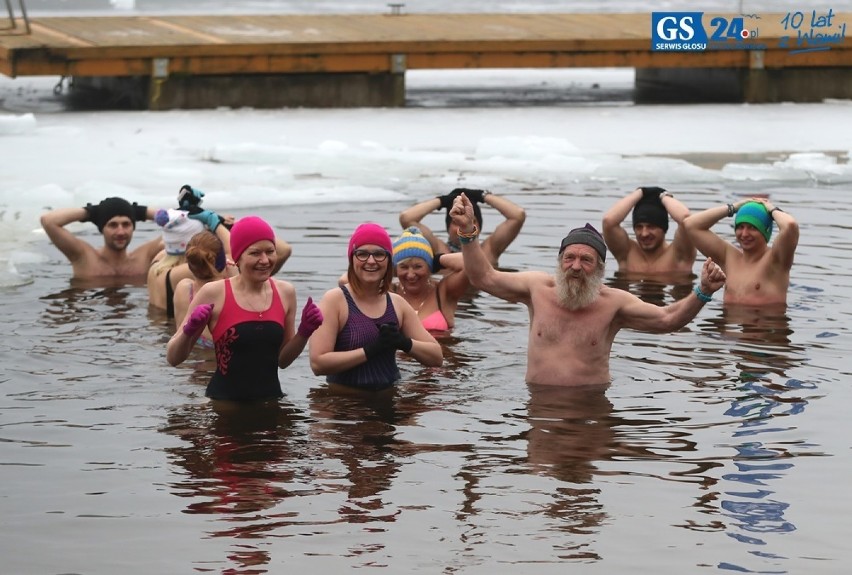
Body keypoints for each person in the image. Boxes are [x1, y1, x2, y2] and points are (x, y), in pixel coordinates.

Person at [449, 193, 727, 387]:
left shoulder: (614, 304)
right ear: (559, 262)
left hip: (591, 405)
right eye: (569, 258)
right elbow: (483, 277)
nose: (576, 266)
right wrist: (468, 231)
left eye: (586, 260)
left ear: (600, 269)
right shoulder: (537, 288)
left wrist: (703, 291)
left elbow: (668, 320)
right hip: (538, 403)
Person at [166, 216, 323, 402]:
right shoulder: (214, 293)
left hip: (271, 403)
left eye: (270, 251)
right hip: (225, 406)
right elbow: (173, 358)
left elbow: (283, 361)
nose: (265, 260)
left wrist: (304, 332)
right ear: (237, 257)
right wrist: (189, 330)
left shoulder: (285, 292)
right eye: (255, 253)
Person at [309, 222, 443, 392]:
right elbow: (318, 364)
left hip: (390, 400)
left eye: (379, 254)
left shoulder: (397, 303)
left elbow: (436, 357)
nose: (371, 261)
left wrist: (404, 342)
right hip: (344, 407)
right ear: (352, 258)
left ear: (388, 261)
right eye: (362, 254)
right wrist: (371, 350)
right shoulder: (335, 300)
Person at [683, 197, 798, 306]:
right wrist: (733, 207)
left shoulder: (776, 260)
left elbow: (790, 225)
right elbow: (690, 225)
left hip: (765, 325)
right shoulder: (728, 257)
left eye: (752, 227)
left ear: (766, 231)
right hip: (730, 324)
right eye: (740, 227)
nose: (744, 234)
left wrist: (771, 209)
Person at [177, 184, 292, 275]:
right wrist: (218, 223)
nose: (264, 260)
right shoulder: (226, 269)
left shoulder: (163, 263)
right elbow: (284, 249)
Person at [40, 196, 162, 280]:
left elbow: (179, 224)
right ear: (101, 228)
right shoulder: (83, 257)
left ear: (133, 227)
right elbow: (48, 221)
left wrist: (140, 212)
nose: (120, 232)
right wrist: (91, 212)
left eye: (126, 224)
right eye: (113, 225)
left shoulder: (145, 258)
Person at [399, 188, 526, 268]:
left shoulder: (489, 251)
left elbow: (518, 215)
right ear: (448, 227)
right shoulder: (438, 250)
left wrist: (482, 196)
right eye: (456, 222)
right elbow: (406, 218)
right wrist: (442, 201)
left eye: (472, 221)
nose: (464, 224)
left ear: (479, 227)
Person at [601, 186, 696, 277]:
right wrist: (640, 192)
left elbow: (686, 219)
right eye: (639, 227)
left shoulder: (679, 254)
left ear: (663, 228)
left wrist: (663, 196)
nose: (644, 233)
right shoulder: (627, 253)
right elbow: (608, 221)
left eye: (651, 227)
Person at [389, 227, 469, 332]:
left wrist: (438, 261)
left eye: (418, 267)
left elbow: (471, 264)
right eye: (403, 267)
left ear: (429, 267)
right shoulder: (389, 292)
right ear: (396, 270)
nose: (411, 275)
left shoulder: (443, 292)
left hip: (442, 347)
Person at [172, 230, 238, 347]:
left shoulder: (183, 289)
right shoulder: (232, 289)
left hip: (190, 360)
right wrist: (235, 275)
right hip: (223, 361)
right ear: (222, 262)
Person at [146, 208, 205, 316]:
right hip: (171, 330)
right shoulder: (184, 271)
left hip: (157, 327)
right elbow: (230, 258)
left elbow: (174, 238)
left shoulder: (157, 262)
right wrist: (216, 223)